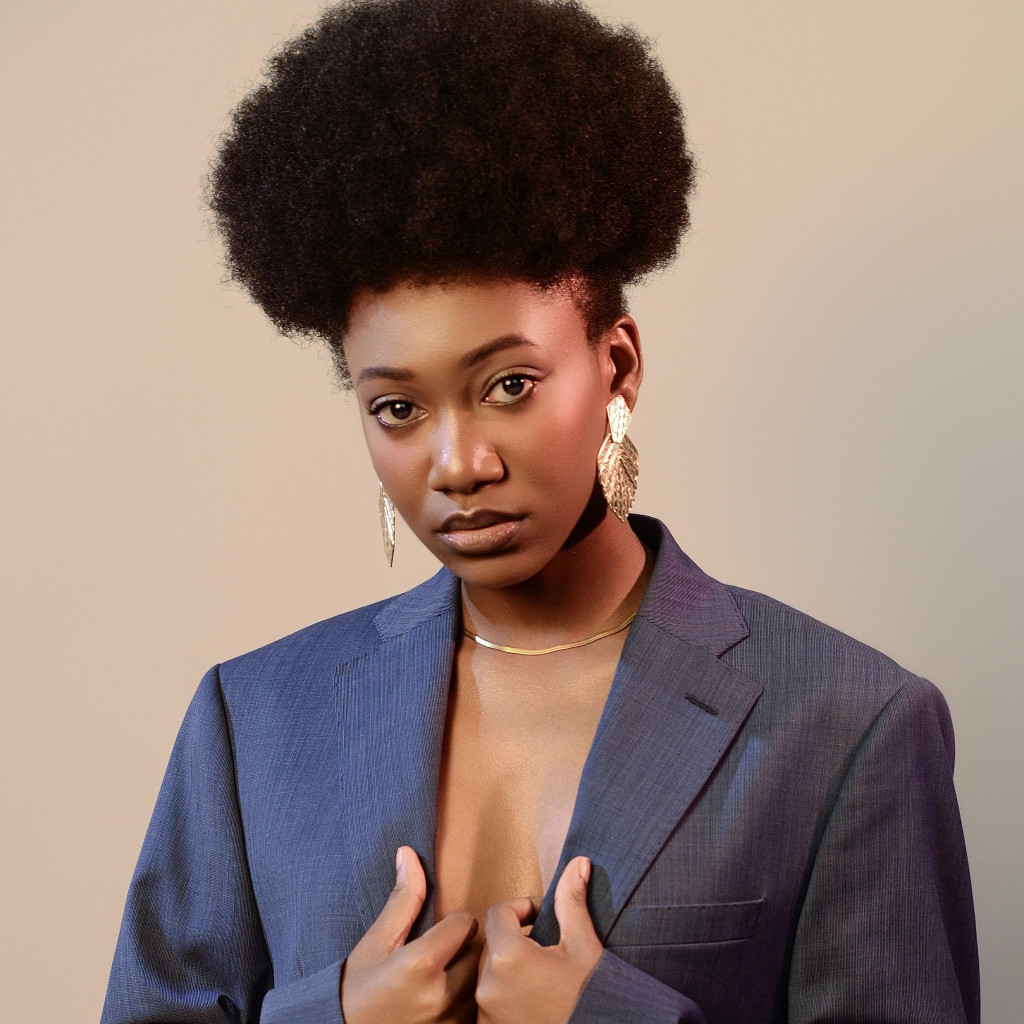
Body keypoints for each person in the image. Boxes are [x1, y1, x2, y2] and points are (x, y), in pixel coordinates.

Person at [100, 1, 980, 1022]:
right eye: (398, 408)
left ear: (617, 366)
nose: (458, 463)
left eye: (508, 385)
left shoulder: (847, 724)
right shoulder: (251, 722)